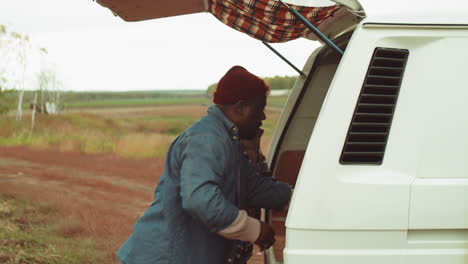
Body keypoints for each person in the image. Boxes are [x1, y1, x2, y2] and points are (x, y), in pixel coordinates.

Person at [117, 66, 292, 264]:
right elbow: (200, 200)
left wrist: (297, 198)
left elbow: (253, 187)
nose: (263, 117)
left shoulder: (230, 141)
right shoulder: (207, 139)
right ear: (241, 108)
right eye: (259, 110)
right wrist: (254, 229)